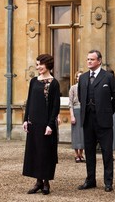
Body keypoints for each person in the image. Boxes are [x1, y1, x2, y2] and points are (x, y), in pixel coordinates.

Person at [77, 49, 115, 192]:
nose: (89, 61)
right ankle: (90, 180)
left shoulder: (108, 77)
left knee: (107, 152)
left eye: (92, 59)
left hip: (104, 121)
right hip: (87, 120)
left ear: (99, 61)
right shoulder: (83, 78)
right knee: (89, 152)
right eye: (87, 59)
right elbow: (79, 96)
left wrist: (108, 111)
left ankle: (108, 182)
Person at [22, 54, 60, 195]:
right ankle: (38, 182)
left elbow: (55, 106)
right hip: (34, 123)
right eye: (37, 64)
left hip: (46, 124)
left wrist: (50, 125)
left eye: (40, 64)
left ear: (48, 64)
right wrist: (26, 120)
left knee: (45, 153)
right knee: (35, 152)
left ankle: (46, 183)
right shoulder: (33, 81)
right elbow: (29, 101)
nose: (38, 67)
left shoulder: (54, 83)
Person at [69, 70, 85, 163]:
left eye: (81, 76)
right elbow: (70, 103)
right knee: (76, 133)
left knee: (83, 133)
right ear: (76, 78)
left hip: (84, 111)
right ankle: (76, 154)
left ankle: (81, 154)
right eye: (78, 76)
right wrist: (72, 116)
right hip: (75, 111)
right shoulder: (73, 88)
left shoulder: (86, 87)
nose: (79, 78)